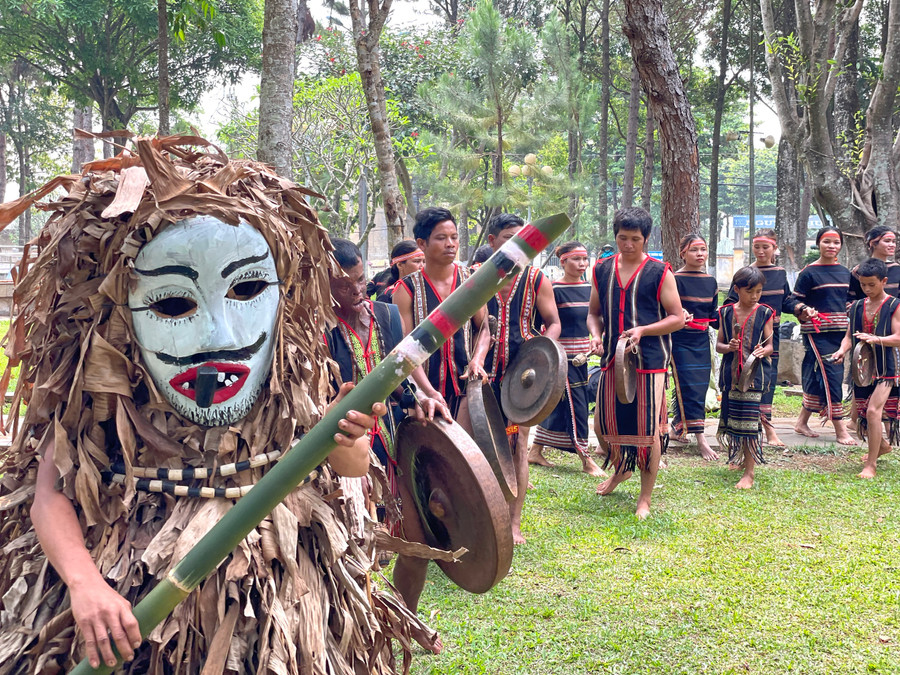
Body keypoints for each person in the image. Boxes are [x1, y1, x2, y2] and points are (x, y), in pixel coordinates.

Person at [0, 141, 440, 673]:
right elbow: (50, 491)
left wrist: (349, 440)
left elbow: (348, 467)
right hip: (128, 606)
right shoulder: (99, 392)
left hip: (279, 603)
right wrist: (85, 583)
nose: (218, 336)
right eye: (172, 302)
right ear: (116, 311)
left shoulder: (291, 375)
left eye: (247, 289)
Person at [326, 238, 440, 523]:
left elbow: (401, 371)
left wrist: (419, 397)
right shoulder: (320, 329)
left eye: (361, 280)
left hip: (391, 429)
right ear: (323, 285)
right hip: (347, 439)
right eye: (343, 286)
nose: (357, 291)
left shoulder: (386, 314)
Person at [587, 207, 684, 520]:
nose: (627, 244)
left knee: (646, 431)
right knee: (605, 425)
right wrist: (596, 335)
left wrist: (644, 329)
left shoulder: (660, 272)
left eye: (635, 239)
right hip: (611, 358)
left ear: (646, 238)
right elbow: (593, 314)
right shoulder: (601, 269)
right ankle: (621, 470)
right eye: (622, 238)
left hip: (650, 361)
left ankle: (645, 497)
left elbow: (677, 318)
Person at [481, 212, 562, 544]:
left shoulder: (536, 278)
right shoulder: (477, 277)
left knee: (517, 447)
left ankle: (513, 523)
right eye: (507, 237)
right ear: (492, 242)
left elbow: (553, 323)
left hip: (522, 376)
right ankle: (484, 517)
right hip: (482, 375)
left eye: (522, 238)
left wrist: (543, 355)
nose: (516, 244)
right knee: (482, 446)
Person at [392, 207, 491, 431]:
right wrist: (428, 391)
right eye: (441, 238)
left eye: (454, 237)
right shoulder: (406, 289)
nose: (450, 244)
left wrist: (478, 360)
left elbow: (484, 327)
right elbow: (405, 349)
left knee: (468, 457)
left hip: (465, 387)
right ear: (422, 244)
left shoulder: (471, 281)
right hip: (424, 390)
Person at [530, 240, 604, 476]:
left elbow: (596, 320)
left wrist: (597, 338)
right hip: (562, 358)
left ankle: (535, 450)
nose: (582, 263)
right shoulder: (552, 289)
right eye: (576, 259)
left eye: (584, 259)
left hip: (584, 357)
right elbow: (543, 322)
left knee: (559, 405)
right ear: (562, 261)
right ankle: (585, 458)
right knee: (577, 407)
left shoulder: (592, 289)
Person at [725, 229, 797, 446]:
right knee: (745, 379)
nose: (760, 251)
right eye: (756, 246)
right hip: (746, 335)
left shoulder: (780, 273)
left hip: (769, 337)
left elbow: (786, 301)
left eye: (765, 247)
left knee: (767, 381)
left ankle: (768, 429)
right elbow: (730, 302)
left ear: (774, 248)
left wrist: (802, 308)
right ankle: (741, 428)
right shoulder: (745, 273)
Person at [832, 258, 900, 479]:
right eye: (863, 285)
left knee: (872, 411)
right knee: (865, 412)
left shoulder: (894, 305)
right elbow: (848, 337)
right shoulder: (857, 307)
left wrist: (875, 339)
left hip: (886, 369)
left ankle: (871, 464)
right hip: (862, 370)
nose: (867, 289)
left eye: (872, 284)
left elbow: (898, 338)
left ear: (884, 281)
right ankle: (881, 446)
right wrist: (841, 351)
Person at [788, 227, 855, 444]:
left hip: (843, 333)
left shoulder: (847, 273)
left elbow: (853, 300)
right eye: (827, 242)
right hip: (818, 333)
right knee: (833, 376)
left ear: (841, 245)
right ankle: (840, 429)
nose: (831, 246)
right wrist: (803, 309)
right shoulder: (808, 272)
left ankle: (801, 422)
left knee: (821, 376)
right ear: (818, 243)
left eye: (836, 242)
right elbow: (791, 300)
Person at [716, 266, 775, 489]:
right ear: (737, 289)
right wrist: (728, 346)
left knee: (750, 423)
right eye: (750, 291)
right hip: (730, 374)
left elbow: (770, 345)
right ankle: (741, 459)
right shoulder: (725, 312)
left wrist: (763, 351)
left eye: (759, 291)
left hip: (754, 375)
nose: (755, 296)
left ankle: (750, 472)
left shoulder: (765, 312)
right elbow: (719, 345)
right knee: (734, 418)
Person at [669, 233, 719, 460]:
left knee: (699, 387)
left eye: (703, 249)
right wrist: (679, 315)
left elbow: (713, 316)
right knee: (687, 385)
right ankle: (701, 438)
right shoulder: (674, 279)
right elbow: (666, 309)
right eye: (693, 250)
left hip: (701, 340)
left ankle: (677, 428)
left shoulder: (710, 281)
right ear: (682, 253)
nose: (700, 254)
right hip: (679, 340)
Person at [847, 226, 900, 302]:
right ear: (873, 243)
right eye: (887, 241)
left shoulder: (897, 269)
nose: (892, 245)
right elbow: (850, 299)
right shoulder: (858, 270)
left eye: (893, 241)